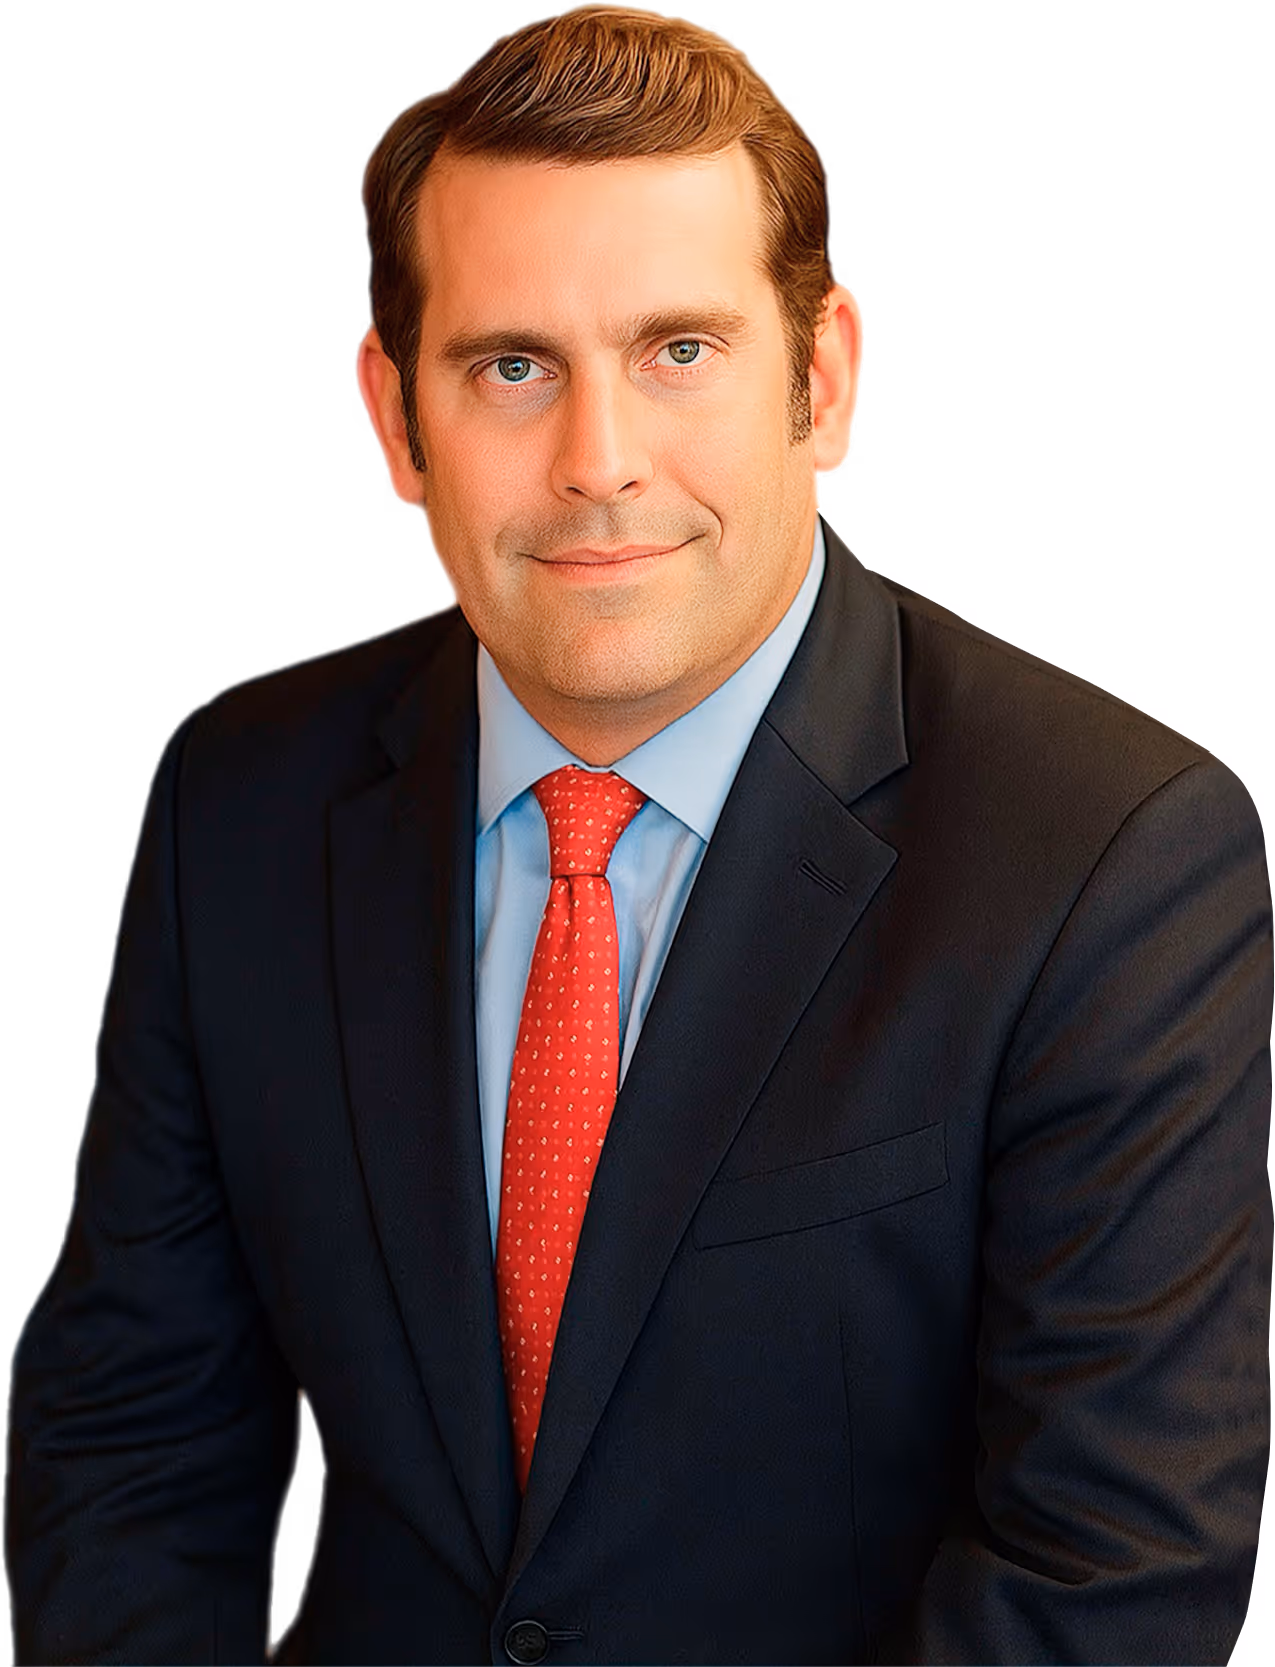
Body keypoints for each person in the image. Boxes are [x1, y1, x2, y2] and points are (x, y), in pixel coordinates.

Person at [7, 4, 1271, 1663]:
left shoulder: (1114, 851)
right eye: (511, 365)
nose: (596, 463)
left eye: (679, 350)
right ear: (393, 419)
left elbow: (1103, 1564)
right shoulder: (238, 792)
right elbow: (131, 1434)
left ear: (822, 381)